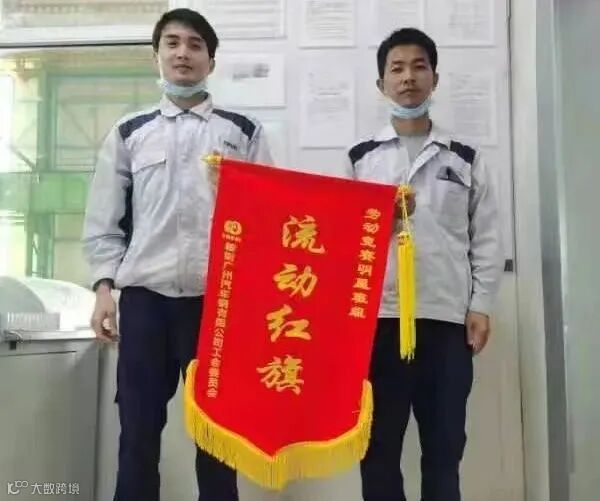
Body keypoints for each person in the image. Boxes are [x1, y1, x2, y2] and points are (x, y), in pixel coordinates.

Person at [82, 8, 271, 501]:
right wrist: (104, 289)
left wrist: (238, 193)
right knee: (138, 433)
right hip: (147, 302)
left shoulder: (243, 131)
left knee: (218, 441)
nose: (183, 53)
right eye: (173, 43)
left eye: (195, 45)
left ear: (211, 61)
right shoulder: (130, 131)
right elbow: (104, 222)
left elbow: (269, 222)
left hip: (218, 304)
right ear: (157, 56)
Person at [347, 28, 503, 501]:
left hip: (445, 321)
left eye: (419, 66)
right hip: (381, 323)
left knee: (443, 450)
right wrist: (385, 221)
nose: (408, 77)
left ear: (435, 77)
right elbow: (346, 242)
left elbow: (486, 238)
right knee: (378, 452)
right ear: (381, 84)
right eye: (396, 69)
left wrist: (481, 305)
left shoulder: (465, 158)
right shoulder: (360, 159)